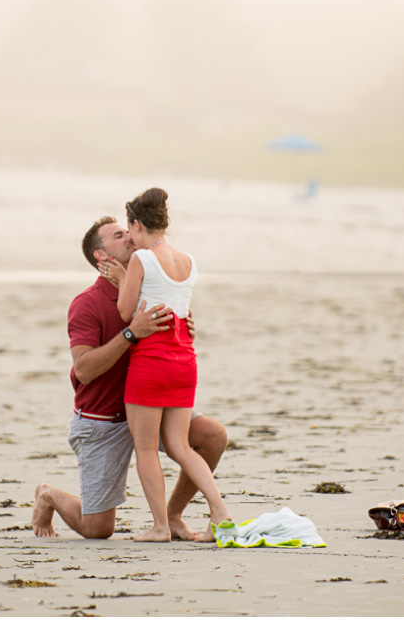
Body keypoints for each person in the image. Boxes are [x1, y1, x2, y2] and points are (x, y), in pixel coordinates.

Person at [30, 215, 228, 543]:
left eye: (128, 231)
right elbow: (84, 370)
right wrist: (129, 333)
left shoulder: (148, 285)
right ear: (101, 256)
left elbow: (172, 337)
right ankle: (49, 495)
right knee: (99, 529)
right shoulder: (86, 305)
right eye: (118, 235)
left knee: (213, 436)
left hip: (151, 405)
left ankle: (173, 516)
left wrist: (186, 328)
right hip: (102, 420)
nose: (129, 237)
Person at [116, 187, 235, 543]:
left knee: (147, 448)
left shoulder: (141, 260)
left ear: (137, 225)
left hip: (151, 361)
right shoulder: (188, 261)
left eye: (130, 230)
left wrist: (123, 279)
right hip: (184, 359)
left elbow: (126, 313)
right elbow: (177, 306)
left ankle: (160, 527)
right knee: (180, 446)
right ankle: (221, 513)